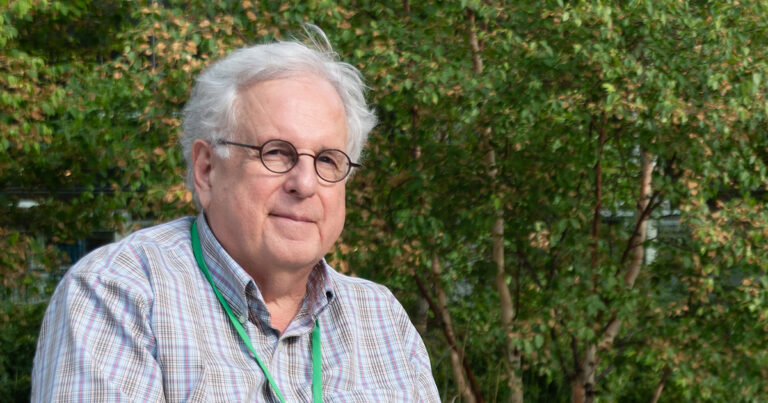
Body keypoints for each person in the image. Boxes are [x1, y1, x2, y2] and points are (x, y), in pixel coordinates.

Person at [32, 28, 441, 402]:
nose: (306, 183)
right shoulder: (119, 293)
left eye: (328, 160)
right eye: (277, 152)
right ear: (207, 169)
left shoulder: (380, 316)